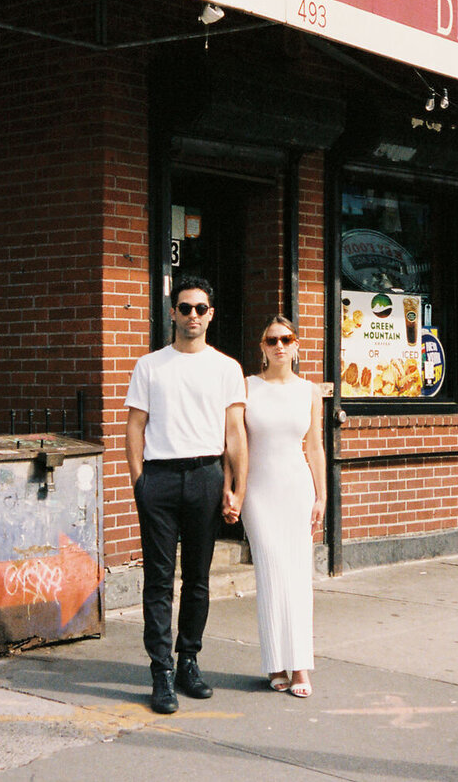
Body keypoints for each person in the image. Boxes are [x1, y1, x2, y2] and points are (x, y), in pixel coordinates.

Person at [125, 276, 248, 715]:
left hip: (205, 477)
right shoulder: (150, 366)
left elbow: (235, 435)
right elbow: (135, 428)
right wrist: (140, 482)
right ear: (172, 313)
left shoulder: (226, 368)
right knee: (158, 581)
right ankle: (160, 671)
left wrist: (235, 489)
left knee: (196, 578)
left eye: (200, 308)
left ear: (210, 314)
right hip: (159, 478)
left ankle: (188, 662)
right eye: (184, 308)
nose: (192, 315)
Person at [236, 315, 326, 699]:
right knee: (271, 572)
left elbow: (316, 447)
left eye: (286, 339)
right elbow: (235, 445)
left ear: (297, 345)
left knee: (297, 576)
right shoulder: (246, 387)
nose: (279, 346)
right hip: (258, 492)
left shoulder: (309, 391)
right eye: (272, 340)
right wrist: (235, 491)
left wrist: (321, 495)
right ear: (262, 347)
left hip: (297, 489)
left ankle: (300, 665)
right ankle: (274, 662)